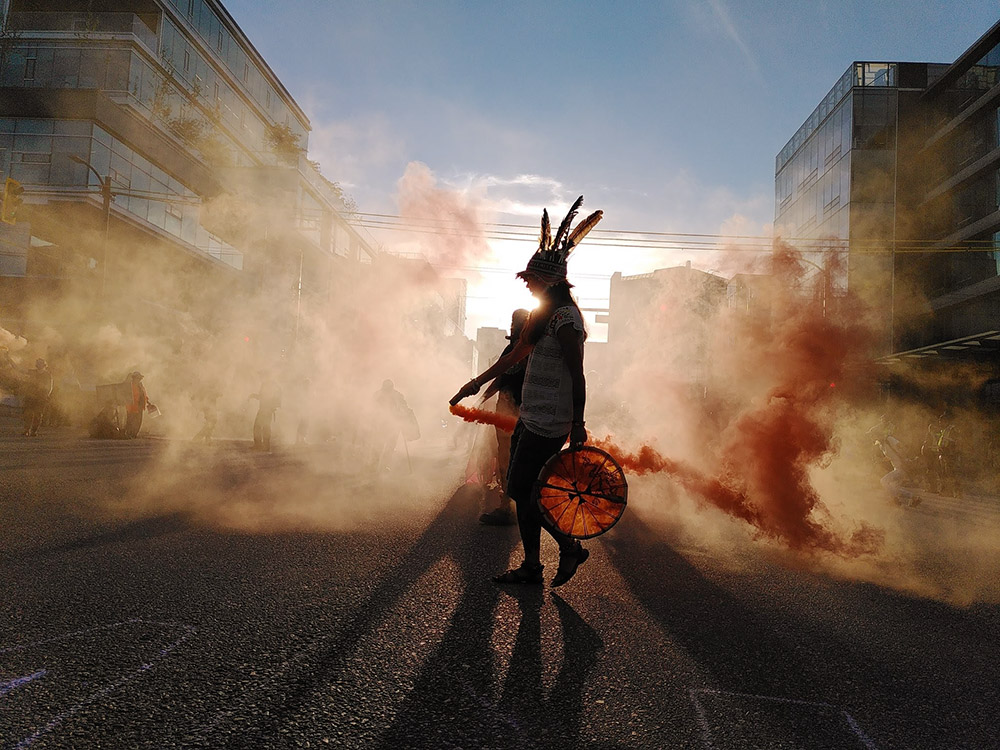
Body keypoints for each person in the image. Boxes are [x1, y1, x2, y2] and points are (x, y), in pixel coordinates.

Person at [452, 195, 602, 588]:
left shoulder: (567, 320)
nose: (529, 284)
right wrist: (474, 383)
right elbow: (514, 357)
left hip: (550, 421)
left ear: (549, 282)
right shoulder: (542, 315)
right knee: (521, 489)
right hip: (531, 416)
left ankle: (561, 551)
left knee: (522, 488)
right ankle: (536, 564)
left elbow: (578, 374)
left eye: (533, 280)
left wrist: (579, 423)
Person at [478, 308, 530, 526]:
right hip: (514, 412)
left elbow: (500, 378)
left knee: (509, 459)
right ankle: (513, 504)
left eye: (515, 322)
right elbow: (500, 378)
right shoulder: (522, 349)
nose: (513, 325)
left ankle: (507, 506)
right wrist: (483, 397)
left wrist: (480, 393)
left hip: (515, 413)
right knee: (510, 458)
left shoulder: (519, 350)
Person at [371, 379, 411, 471]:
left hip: (393, 425)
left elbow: (404, 407)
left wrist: (402, 417)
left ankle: (381, 465)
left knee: (389, 446)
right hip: (382, 424)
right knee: (381, 445)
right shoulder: (379, 395)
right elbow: (373, 409)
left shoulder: (397, 395)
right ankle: (375, 465)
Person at [22, 358, 53, 437]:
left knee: (38, 415)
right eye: (38, 363)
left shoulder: (48, 375)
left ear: (44, 365)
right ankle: (26, 429)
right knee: (28, 414)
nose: (38, 364)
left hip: (41, 397)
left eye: (40, 363)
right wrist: (9, 359)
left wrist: (47, 395)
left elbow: (50, 386)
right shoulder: (32, 372)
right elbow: (19, 370)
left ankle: (33, 431)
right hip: (31, 395)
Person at [250, 376, 281, 451]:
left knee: (259, 427)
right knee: (265, 427)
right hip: (267, 409)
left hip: (265, 409)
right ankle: (265, 446)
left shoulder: (267, 385)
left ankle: (260, 445)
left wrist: (253, 395)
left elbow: (263, 397)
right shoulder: (272, 385)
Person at [123, 371, 157, 439]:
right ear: (134, 378)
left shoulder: (141, 386)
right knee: (131, 421)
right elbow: (125, 395)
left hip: (140, 407)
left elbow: (144, 395)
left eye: (139, 378)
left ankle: (134, 434)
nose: (139, 379)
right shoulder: (130, 385)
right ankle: (128, 434)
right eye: (137, 378)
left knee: (138, 421)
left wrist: (148, 402)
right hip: (132, 407)